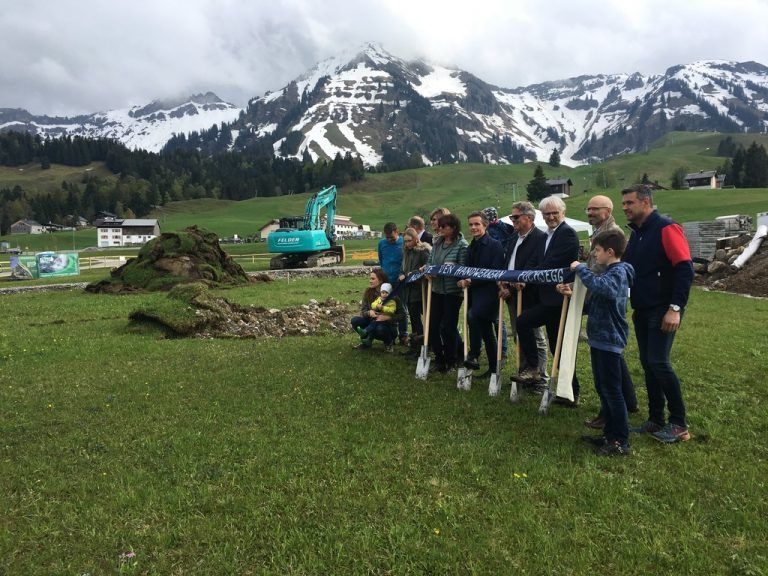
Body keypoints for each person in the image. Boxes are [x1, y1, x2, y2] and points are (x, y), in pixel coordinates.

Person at [622, 184, 694, 443]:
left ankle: (679, 423)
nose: (625, 208)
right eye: (623, 204)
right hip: (642, 309)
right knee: (648, 363)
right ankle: (655, 419)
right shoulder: (637, 233)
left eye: (629, 203)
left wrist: (675, 308)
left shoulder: (666, 228)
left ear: (645, 202)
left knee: (659, 362)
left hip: (662, 308)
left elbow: (685, 268)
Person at [576, 195, 639, 428]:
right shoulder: (599, 233)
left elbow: (606, 285)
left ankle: (617, 431)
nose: (589, 213)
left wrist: (582, 271)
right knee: (607, 376)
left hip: (608, 328)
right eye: (588, 209)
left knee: (610, 384)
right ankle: (618, 413)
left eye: (594, 209)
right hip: (599, 324)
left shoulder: (613, 237)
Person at [572, 230, 636, 456]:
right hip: (599, 339)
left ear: (610, 252)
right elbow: (595, 304)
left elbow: (604, 289)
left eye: (597, 250)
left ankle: (620, 441)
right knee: (603, 387)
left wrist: (581, 269)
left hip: (610, 339)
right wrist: (571, 296)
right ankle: (609, 434)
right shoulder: (609, 273)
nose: (594, 254)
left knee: (612, 391)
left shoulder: (618, 272)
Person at [514, 195, 581, 404]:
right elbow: (535, 260)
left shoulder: (567, 234)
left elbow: (551, 264)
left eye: (554, 213)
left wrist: (529, 276)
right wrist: (523, 275)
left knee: (557, 345)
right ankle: (562, 387)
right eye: (547, 214)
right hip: (547, 298)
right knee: (553, 344)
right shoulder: (545, 236)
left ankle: (568, 391)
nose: (551, 217)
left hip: (560, 299)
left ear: (563, 213)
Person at [498, 201, 548, 389]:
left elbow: (534, 266)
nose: (513, 220)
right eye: (512, 217)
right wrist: (502, 281)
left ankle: (541, 378)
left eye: (516, 217)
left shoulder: (540, 238)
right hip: (512, 294)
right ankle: (524, 372)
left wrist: (512, 287)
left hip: (530, 294)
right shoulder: (513, 237)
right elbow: (508, 262)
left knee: (536, 338)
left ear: (529, 217)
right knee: (519, 335)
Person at [458, 212, 505, 377]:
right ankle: (493, 368)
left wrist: (471, 280)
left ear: (485, 225)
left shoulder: (495, 245)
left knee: (472, 316)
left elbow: (495, 271)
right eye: (471, 224)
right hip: (474, 293)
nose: (473, 227)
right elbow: (466, 269)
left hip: (489, 293)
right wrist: (462, 280)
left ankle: (474, 353)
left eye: (477, 224)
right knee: (486, 330)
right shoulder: (471, 247)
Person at [425, 213, 468, 373]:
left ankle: (451, 359)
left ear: (454, 228)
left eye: (444, 226)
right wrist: (429, 271)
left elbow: (463, 268)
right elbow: (430, 262)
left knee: (448, 327)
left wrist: (449, 270)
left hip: (452, 292)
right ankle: (439, 358)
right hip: (436, 289)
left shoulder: (462, 245)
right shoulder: (437, 243)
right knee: (433, 325)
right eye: (440, 226)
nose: (441, 229)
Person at [398, 227, 431, 355]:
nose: (407, 243)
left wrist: (413, 274)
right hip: (409, 292)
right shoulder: (406, 252)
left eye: (409, 241)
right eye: (405, 241)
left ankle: (428, 343)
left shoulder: (423, 251)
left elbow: (427, 268)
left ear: (416, 239)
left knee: (427, 319)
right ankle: (417, 346)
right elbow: (403, 269)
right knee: (414, 319)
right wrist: (402, 274)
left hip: (421, 291)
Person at [350, 269, 401, 351]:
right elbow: (363, 311)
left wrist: (389, 318)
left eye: (373, 279)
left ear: (381, 280)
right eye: (370, 278)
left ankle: (388, 342)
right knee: (355, 321)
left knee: (379, 328)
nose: (370, 281)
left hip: (388, 326)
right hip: (372, 322)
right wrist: (369, 312)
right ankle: (366, 342)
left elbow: (402, 315)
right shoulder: (368, 292)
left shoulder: (392, 296)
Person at [378, 222, 408, 345]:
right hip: (386, 282)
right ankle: (390, 335)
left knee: (401, 308)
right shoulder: (381, 244)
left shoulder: (404, 242)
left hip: (400, 281)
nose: (389, 240)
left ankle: (403, 335)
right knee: (386, 307)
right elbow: (381, 260)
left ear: (397, 232)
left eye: (392, 237)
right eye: (387, 237)